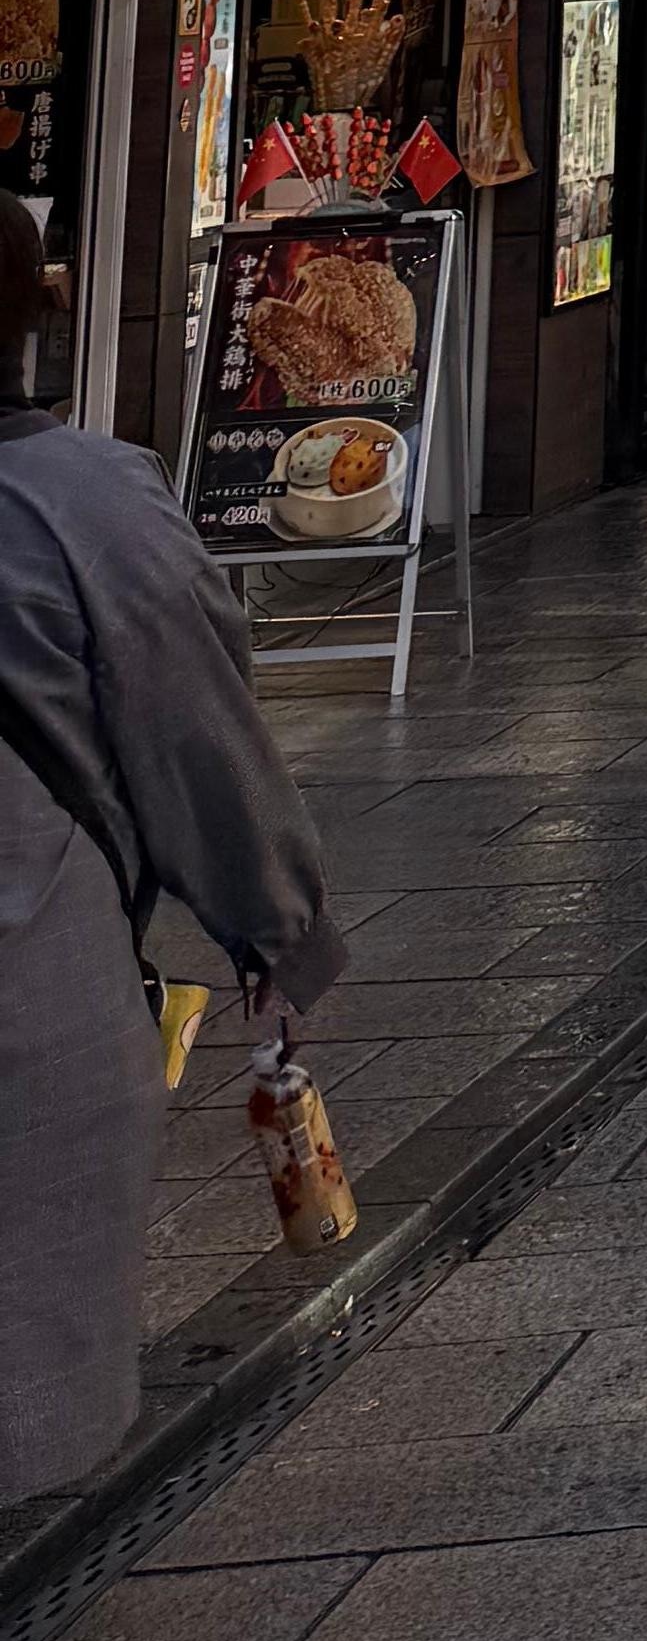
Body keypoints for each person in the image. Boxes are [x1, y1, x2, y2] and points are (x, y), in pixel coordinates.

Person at [0, 198, 346, 1494]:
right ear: (32, 318)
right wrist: (274, 929)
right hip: (32, 1005)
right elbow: (201, 737)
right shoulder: (90, 505)